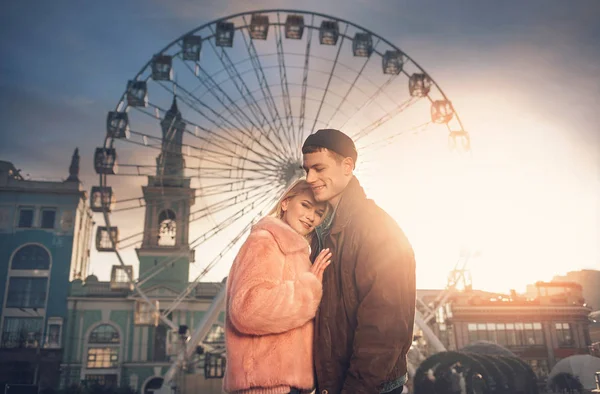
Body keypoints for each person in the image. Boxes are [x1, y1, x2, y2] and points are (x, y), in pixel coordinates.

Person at [302, 128, 417, 394]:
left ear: (347, 166)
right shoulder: (322, 231)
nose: (309, 178)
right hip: (335, 384)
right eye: (306, 170)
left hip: (368, 387)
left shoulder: (376, 228)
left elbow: (385, 326)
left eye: (319, 168)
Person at [223, 179, 333, 394]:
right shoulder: (265, 241)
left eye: (319, 213)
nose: (311, 217)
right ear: (285, 203)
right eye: (305, 205)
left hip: (289, 386)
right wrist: (308, 290)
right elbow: (247, 309)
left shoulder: (297, 253)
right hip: (266, 385)